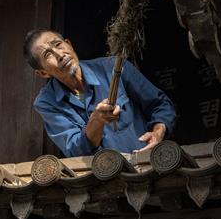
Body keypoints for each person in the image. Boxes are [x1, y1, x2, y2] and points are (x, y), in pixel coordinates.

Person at [24, 28, 176, 157]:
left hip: (147, 163)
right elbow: (75, 150)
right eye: (48, 54)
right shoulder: (46, 102)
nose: (60, 54)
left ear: (69, 44)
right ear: (43, 73)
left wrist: (157, 132)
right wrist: (96, 121)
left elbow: (160, 104)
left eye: (58, 44)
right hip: (102, 180)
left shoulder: (114, 67)